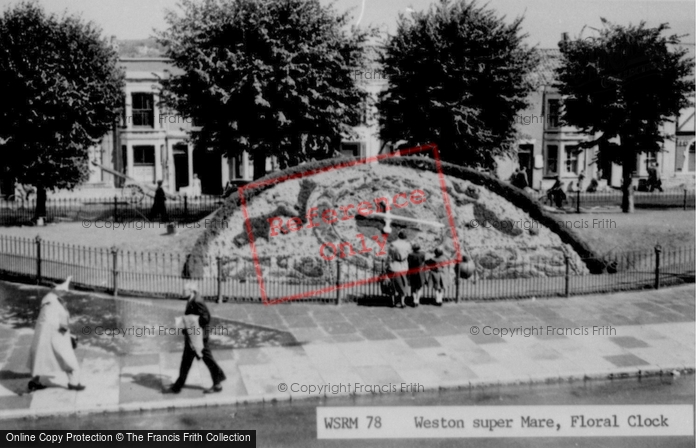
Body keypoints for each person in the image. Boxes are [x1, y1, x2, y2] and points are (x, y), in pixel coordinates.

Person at [27, 277, 85, 392]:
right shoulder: (52, 302)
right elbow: (53, 322)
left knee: (41, 359)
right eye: (63, 289)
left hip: (47, 336)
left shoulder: (50, 298)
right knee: (68, 359)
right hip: (56, 336)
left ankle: (35, 381)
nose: (65, 291)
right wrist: (68, 334)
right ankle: (73, 383)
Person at [168, 282, 226, 394]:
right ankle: (178, 386)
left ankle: (217, 383)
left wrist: (191, 322)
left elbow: (206, 317)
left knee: (203, 360)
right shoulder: (192, 299)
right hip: (194, 336)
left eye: (184, 290)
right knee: (187, 361)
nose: (183, 291)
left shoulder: (197, 301)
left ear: (191, 290)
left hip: (199, 337)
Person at [386, 230, 412, 308]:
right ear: (405, 237)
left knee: (392, 285)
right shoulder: (408, 245)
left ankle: (393, 302)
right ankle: (402, 302)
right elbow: (408, 254)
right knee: (403, 284)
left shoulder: (393, 244)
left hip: (393, 266)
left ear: (398, 235)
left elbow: (389, 256)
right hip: (403, 266)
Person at [407, 243, 427, 308]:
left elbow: (409, 263)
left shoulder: (410, 254)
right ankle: (417, 300)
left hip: (413, 272)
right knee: (419, 287)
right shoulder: (423, 254)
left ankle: (414, 300)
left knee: (413, 287)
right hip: (420, 272)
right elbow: (423, 262)